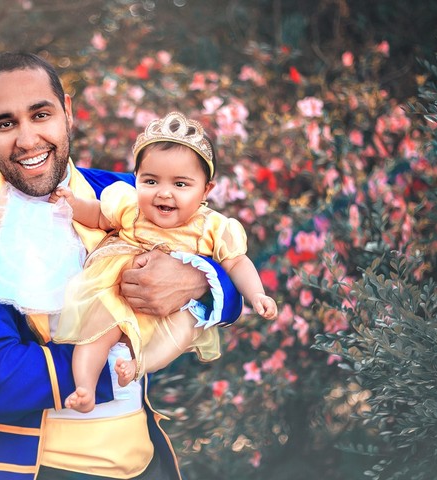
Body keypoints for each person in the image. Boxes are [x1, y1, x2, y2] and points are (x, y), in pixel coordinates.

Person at [0, 52, 243, 480]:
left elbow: (226, 259)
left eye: (41, 114)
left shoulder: (126, 193)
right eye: (6, 123)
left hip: (147, 465)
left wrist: (194, 281)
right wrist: (118, 358)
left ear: (67, 113)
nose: (27, 138)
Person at [49, 111, 278, 413]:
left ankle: (138, 364)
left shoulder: (211, 226)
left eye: (181, 184)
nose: (164, 192)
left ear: (206, 190)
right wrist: (74, 204)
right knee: (97, 331)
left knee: (183, 328)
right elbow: (99, 216)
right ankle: (85, 387)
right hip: (116, 288)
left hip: (170, 310)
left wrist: (257, 294)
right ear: (137, 179)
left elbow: (236, 263)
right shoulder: (131, 207)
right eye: (151, 180)